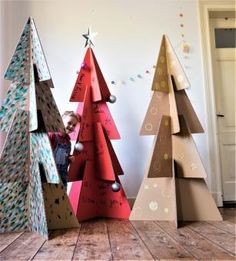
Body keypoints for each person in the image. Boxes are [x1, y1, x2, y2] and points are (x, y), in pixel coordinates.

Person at [49, 111, 81, 190]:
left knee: (61, 198)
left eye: (74, 125)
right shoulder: (53, 135)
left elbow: (64, 156)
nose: (71, 126)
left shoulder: (68, 142)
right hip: (51, 172)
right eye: (69, 123)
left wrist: (70, 158)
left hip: (62, 175)